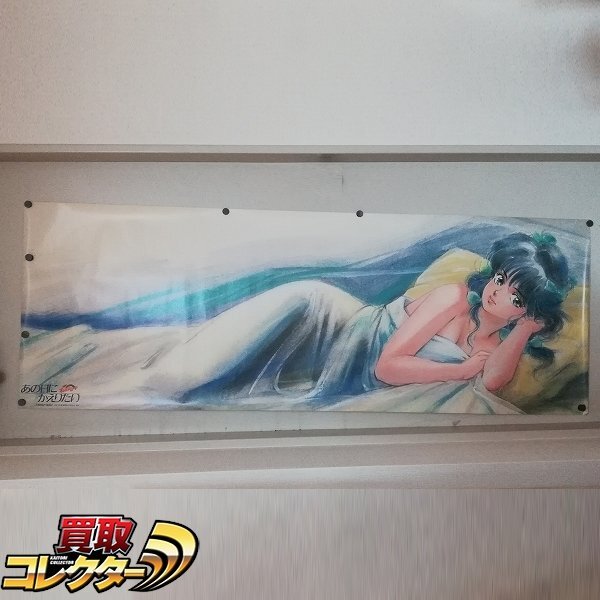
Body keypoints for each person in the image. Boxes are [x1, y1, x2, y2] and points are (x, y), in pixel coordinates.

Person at [21, 232, 571, 411]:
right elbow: (388, 364)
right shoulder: (453, 296)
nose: (498, 291)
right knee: (177, 378)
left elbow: (492, 381)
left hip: (329, 365)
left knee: (197, 390)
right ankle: (59, 395)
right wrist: (458, 371)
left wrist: (525, 330)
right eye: (502, 277)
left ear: (529, 309)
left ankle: (71, 394)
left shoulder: (495, 339)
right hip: (316, 320)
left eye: (515, 294)